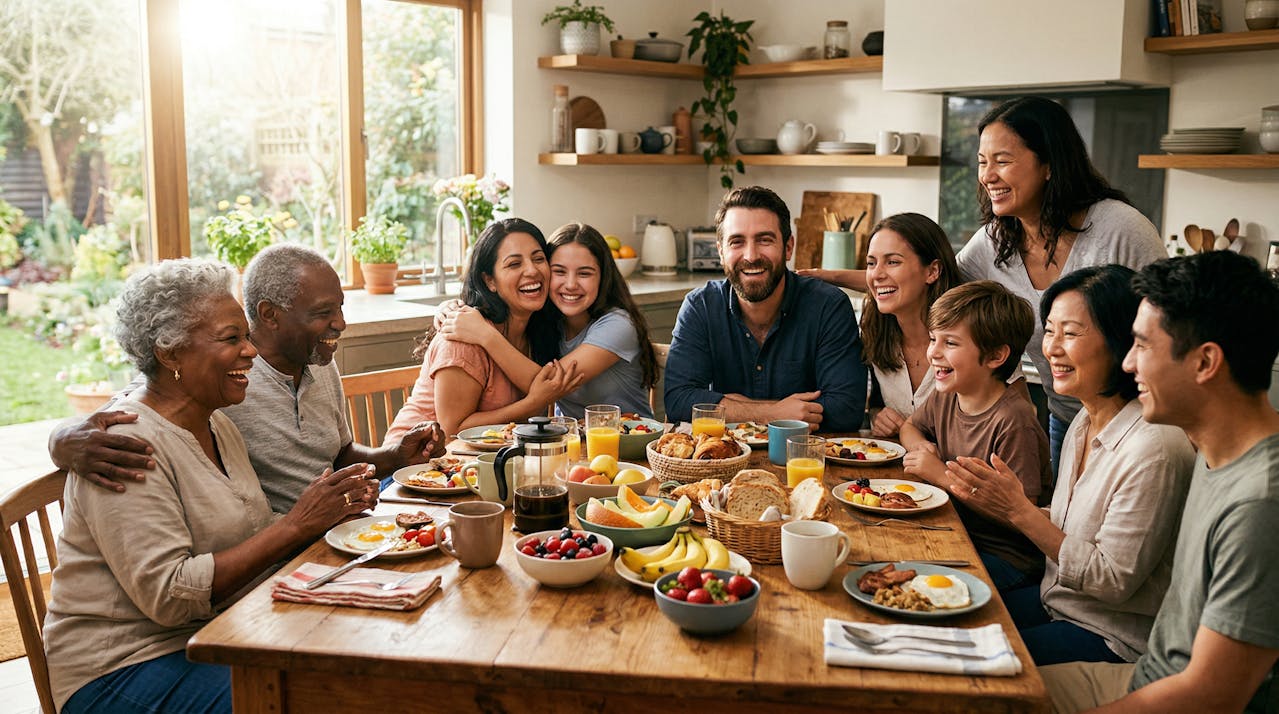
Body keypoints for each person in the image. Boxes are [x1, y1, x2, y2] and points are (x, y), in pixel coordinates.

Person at [43, 259, 375, 713]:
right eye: (231, 338)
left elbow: (256, 525)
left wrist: (332, 515)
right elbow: (170, 596)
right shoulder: (123, 445)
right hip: (124, 665)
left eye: (247, 336)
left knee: (362, 660)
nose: (251, 352)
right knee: (316, 698)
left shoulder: (217, 422)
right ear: (171, 353)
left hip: (218, 634)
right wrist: (297, 526)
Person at [1039, 251, 1279, 714]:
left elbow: (1210, 697)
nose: (1127, 365)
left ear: (1205, 362)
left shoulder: (1259, 503)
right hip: (1146, 675)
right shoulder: (1217, 457)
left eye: (1142, 346)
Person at [47, 244, 446, 512]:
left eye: (340, 307)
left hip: (330, 533)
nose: (340, 323)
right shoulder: (223, 379)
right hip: (276, 553)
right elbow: (143, 399)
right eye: (324, 311)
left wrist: (393, 457)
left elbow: (338, 454)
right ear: (270, 314)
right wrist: (61, 438)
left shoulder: (318, 360)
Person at [944, 265, 1194, 665]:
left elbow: (1112, 581)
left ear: (1120, 342)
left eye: (1071, 333)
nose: (1051, 347)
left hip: (1109, 637)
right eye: (1050, 330)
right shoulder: (1083, 419)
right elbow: (1071, 527)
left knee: (963, 661)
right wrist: (1003, 505)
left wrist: (1018, 511)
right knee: (936, 620)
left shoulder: (1154, 447)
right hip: (1058, 602)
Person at [959, 96, 1167, 477]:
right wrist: (861, 277)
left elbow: (1172, 328)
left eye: (1002, 160)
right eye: (982, 162)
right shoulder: (994, 241)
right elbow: (936, 285)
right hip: (1068, 422)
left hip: (1141, 428)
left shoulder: (1120, 230)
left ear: (1050, 164)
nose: (987, 175)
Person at [663, 186, 866, 431]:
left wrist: (730, 407)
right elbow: (678, 401)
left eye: (764, 240)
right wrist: (772, 412)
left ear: (788, 247)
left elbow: (846, 411)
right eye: (737, 242)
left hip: (805, 461)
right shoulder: (700, 306)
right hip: (721, 460)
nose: (751, 255)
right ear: (720, 251)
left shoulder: (828, 306)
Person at [899, 280, 1050, 591]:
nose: (934, 353)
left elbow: (1022, 517)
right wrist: (922, 448)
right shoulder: (948, 394)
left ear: (995, 356)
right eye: (932, 339)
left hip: (1007, 559)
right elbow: (910, 426)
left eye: (950, 344)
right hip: (956, 533)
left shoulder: (1013, 420)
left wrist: (941, 475)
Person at [434, 222, 660, 419]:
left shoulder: (617, 325)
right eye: (559, 271)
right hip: (574, 449)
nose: (570, 284)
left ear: (603, 278)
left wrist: (486, 335)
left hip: (631, 444)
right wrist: (450, 307)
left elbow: (550, 384)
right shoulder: (545, 322)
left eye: (584, 273)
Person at [385, 218, 581, 441]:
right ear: (490, 281)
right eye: (514, 264)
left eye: (539, 259)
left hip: (484, 464)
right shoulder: (461, 337)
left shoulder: (539, 330)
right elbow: (452, 430)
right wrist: (531, 404)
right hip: (415, 467)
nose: (532, 270)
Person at [805, 213, 962, 436]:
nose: (876, 274)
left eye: (893, 262)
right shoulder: (876, 336)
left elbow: (1017, 415)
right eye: (871, 263)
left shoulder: (975, 335)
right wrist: (878, 416)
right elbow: (878, 406)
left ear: (932, 271)